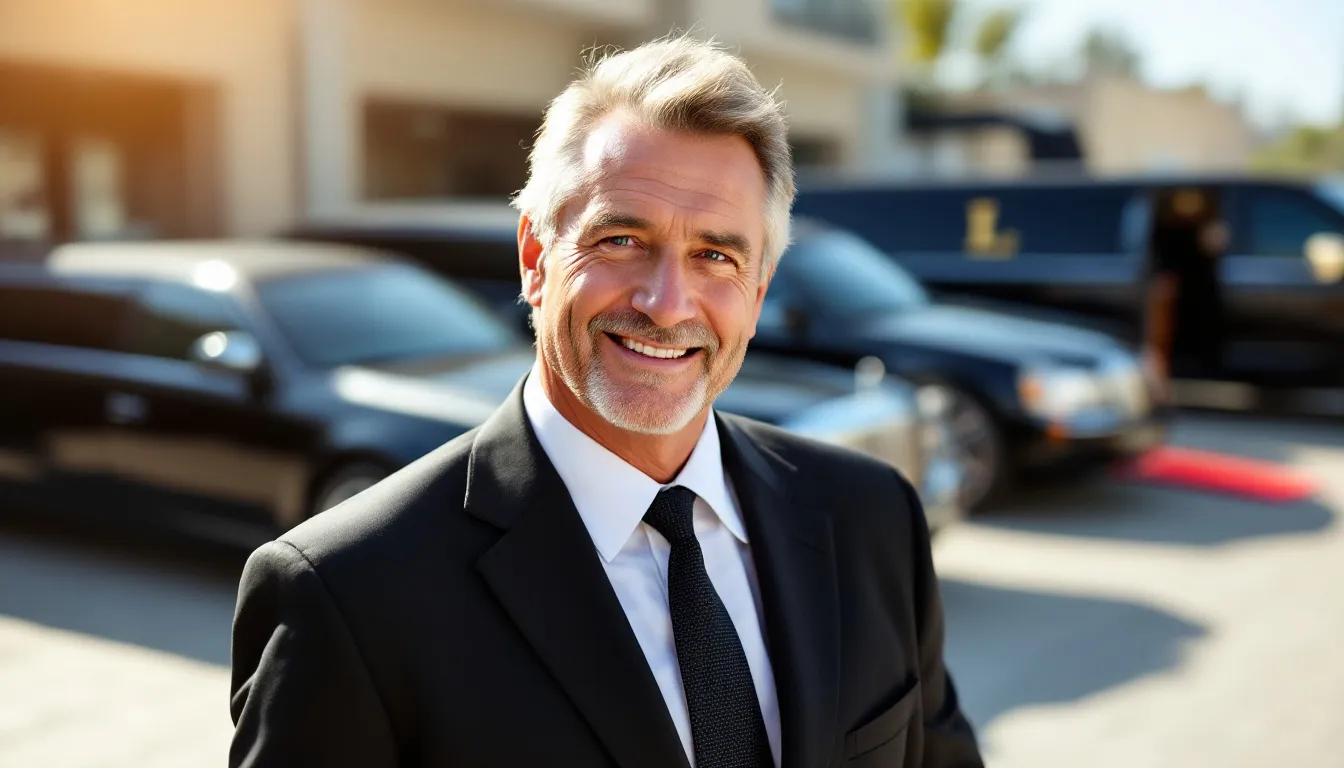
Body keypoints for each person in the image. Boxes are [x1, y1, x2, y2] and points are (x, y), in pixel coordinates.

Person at [229, 35, 982, 768]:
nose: (666, 303)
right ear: (535, 258)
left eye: (715, 255)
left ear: (757, 293)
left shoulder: (871, 515)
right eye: (622, 240)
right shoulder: (349, 592)